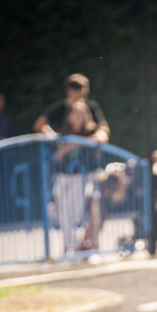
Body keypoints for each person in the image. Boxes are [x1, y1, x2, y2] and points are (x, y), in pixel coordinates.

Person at [50, 99, 102, 254]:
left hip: (81, 177)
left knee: (74, 212)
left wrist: (80, 143)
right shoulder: (63, 133)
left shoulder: (90, 131)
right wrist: (67, 148)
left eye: (81, 115)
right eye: (75, 115)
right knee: (60, 212)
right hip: (63, 176)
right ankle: (68, 246)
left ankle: (73, 246)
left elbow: (101, 139)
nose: (78, 118)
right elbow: (56, 157)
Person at [33, 73, 110, 144]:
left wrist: (99, 135)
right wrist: (52, 136)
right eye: (78, 90)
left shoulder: (92, 106)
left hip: (86, 152)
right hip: (65, 154)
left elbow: (103, 127)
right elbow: (40, 125)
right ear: (69, 90)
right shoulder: (59, 108)